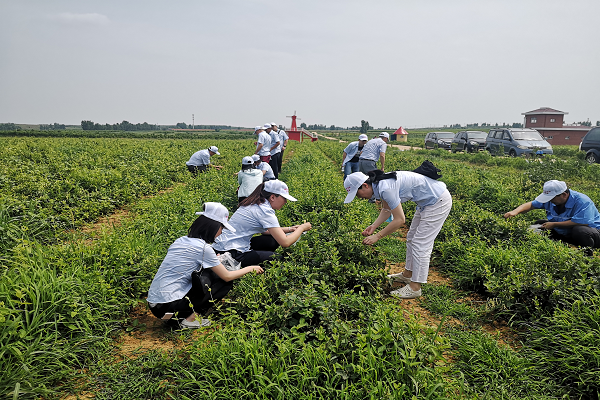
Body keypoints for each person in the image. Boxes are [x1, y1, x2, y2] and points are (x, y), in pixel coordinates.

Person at [147, 202, 264, 329]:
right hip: (168, 307)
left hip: (156, 305)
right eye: (221, 228)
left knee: (208, 273)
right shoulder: (203, 248)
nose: (221, 232)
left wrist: (214, 260)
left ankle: (179, 317)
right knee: (223, 283)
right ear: (213, 227)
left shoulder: (180, 240)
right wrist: (249, 268)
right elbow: (227, 276)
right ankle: (190, 319)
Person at [343, 170, 452, 299]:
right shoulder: (379, 184)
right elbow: (386, 209)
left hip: (437, 201)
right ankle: (407, 275)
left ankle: (415, 287)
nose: (359, 197)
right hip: (426, 203)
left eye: (357, 193)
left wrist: (377, 236)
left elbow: (400, 220)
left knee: (420, 243)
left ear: (365, 185)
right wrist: (374, 226)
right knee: (411, 238)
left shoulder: (385, 187)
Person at [213, 180, 312, 267]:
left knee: (271, 241)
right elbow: (285, 242)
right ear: (273, 197)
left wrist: (291, 229)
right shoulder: (264, 211)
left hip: (224, 245)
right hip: (231, 252)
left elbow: (266, 231)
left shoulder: (255, 204)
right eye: (284, 198)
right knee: (277, 258)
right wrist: (302, 228)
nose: (285, 202)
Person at [504, 180, 600, 255]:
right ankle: (560, 250)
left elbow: (583, 222)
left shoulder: (582, 201)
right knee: (540, 223)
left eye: (552, 198)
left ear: (564, 195)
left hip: (592, 233)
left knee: (580, 231)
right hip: (567, 231)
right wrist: (515, 212)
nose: (549, 201)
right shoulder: (552, 200)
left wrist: (554, 224)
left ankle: (587, 257)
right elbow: (531, 205)